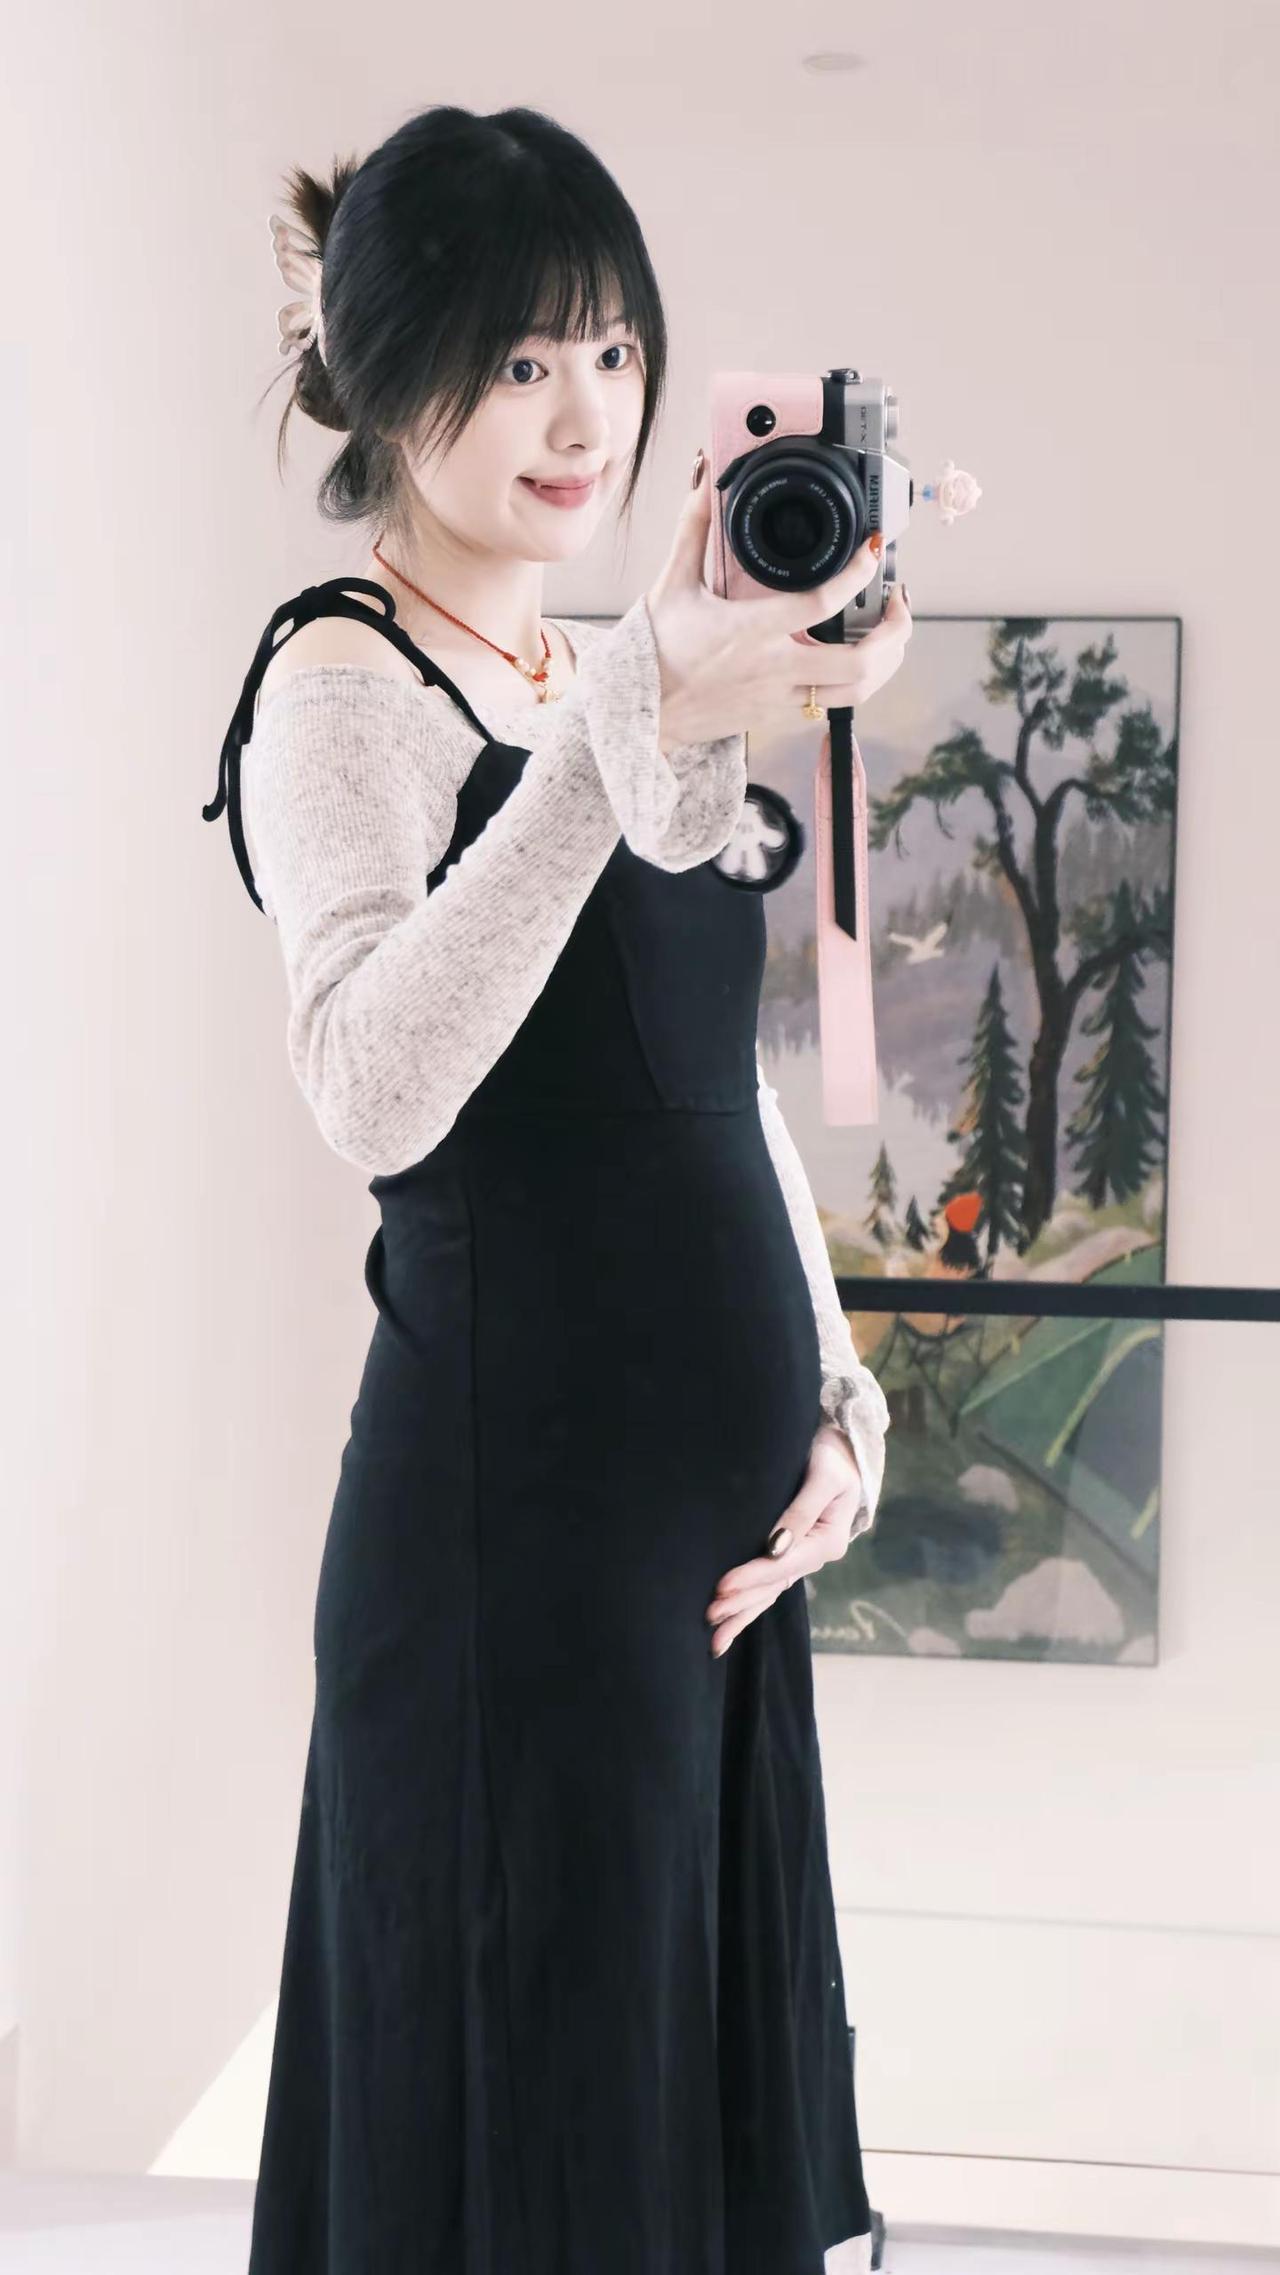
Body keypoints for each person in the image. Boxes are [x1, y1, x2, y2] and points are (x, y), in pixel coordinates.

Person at [205, 101, 910, 2275]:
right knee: (548, 2166)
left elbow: (713, 1085)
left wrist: (841, 1392)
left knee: (664, 2165)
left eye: (607, 351)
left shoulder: (591, 668)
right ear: (388, 375)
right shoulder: (339, 676)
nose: (583, 417)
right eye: (517, 361)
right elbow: (373, 1085)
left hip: (699, 1572)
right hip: (513, 1560)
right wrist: (626, 711)